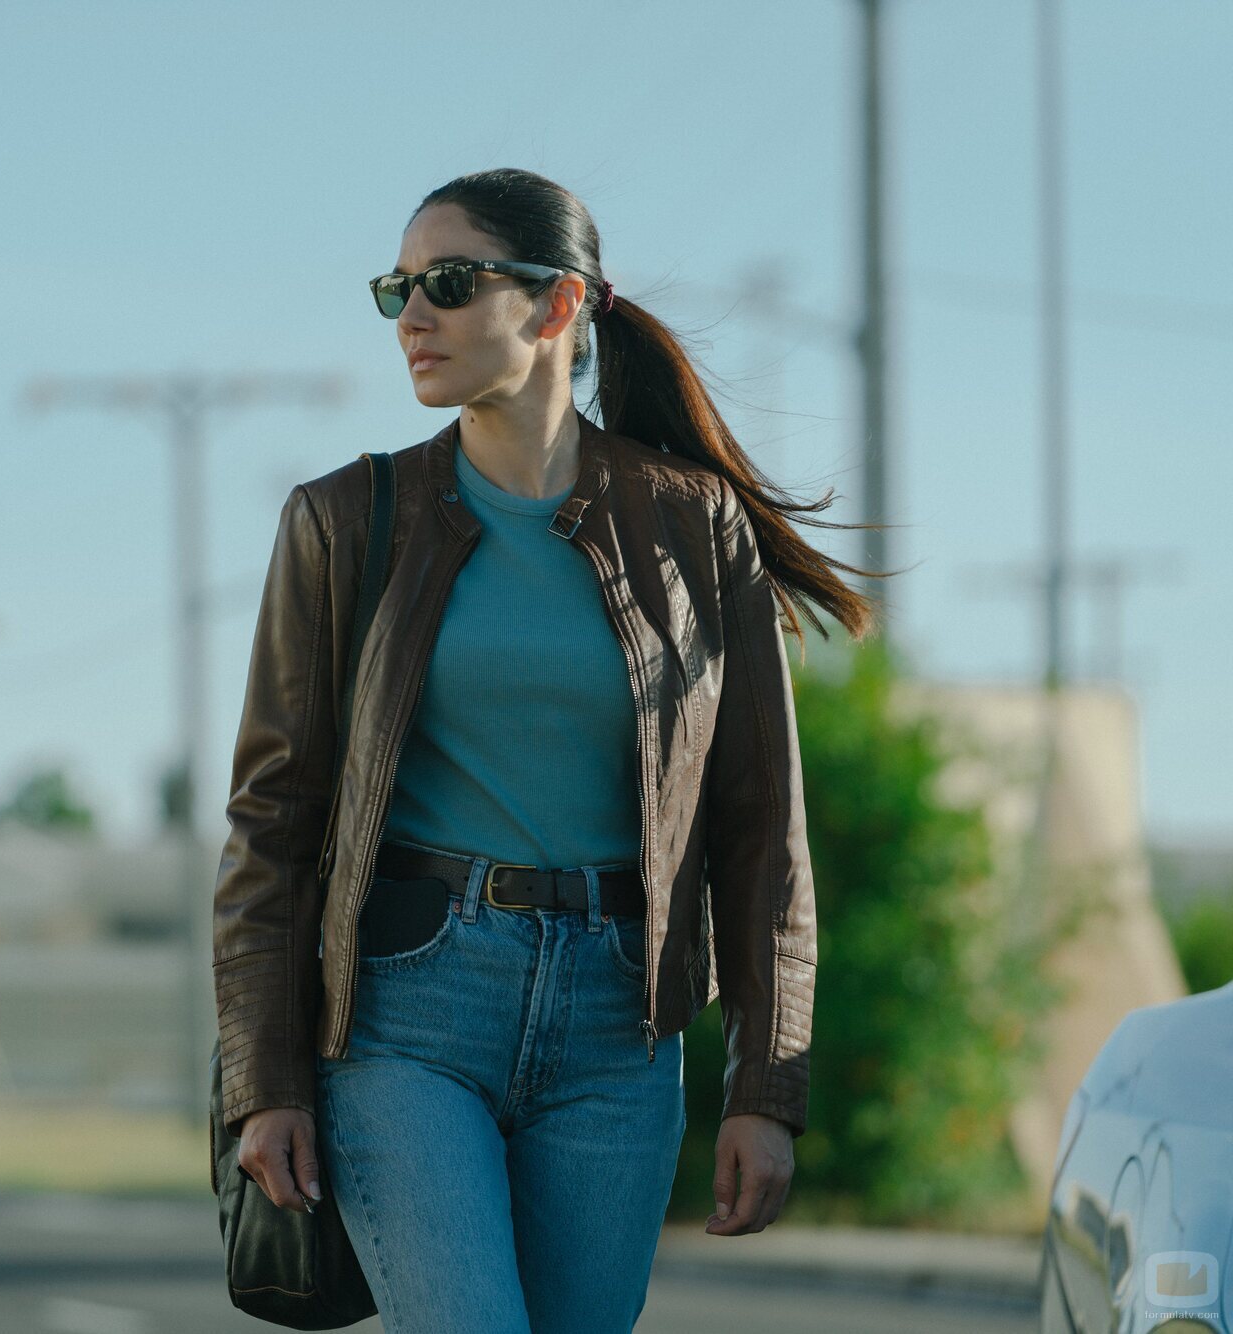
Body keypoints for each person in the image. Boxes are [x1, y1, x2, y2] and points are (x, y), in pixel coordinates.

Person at [211, 167, 887, 1332]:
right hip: (407, 1010)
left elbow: (757, 826)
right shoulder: (341, 520)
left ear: (558, 305)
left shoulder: (691, 521)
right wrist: (261, 1078)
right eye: (398, 289)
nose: (411, 316)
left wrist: (764, 1085)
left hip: (616, 1024)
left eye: (449, 283)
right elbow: (268, 824)